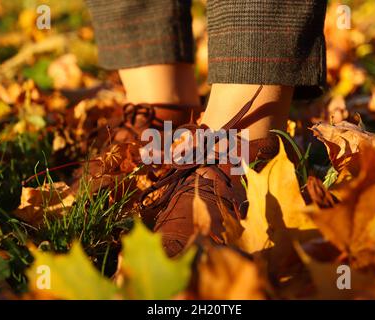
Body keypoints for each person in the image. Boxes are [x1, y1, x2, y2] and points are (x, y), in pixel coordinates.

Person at [85, 0, 327, 256]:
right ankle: (162, 106)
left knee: (242, 126)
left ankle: (246, 139)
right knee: (156, 91)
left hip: (245, 133)